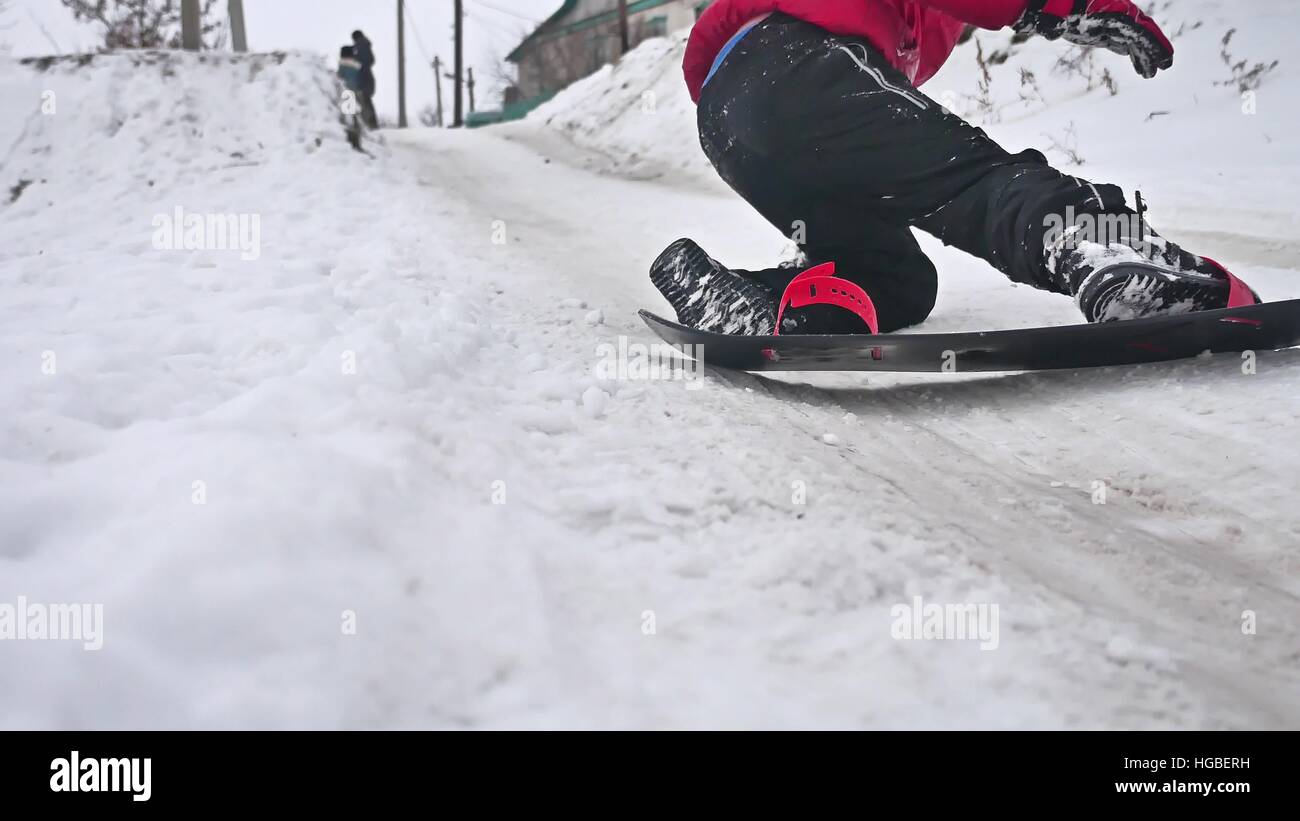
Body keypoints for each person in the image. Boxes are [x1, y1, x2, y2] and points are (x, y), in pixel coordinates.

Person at [649, 0, 1260, 336]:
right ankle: (1113, 256)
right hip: (797, 63)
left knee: (891, 281)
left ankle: (765, 305)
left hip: (731, 121)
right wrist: (1068, 5)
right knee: (970, 182)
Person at [351, 29, 379, 129]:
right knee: (366, 101)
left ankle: (371, 124)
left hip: (363, 79)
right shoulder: (365, 46)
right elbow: (371, 60)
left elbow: (363, 63)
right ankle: (371, 124)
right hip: (368, 78)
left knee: (364, 101)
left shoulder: (360, 46)